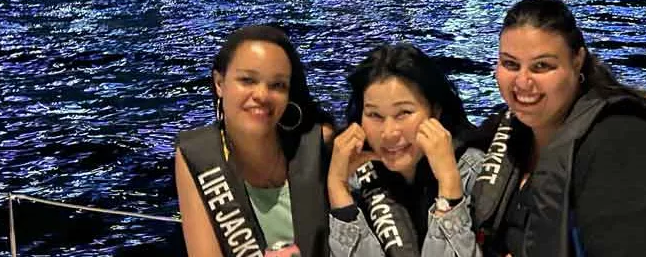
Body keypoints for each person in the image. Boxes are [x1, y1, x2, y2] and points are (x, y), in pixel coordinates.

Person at [472, 0, 646, 257]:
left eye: (542, 66)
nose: (522, 83)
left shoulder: (621, 142)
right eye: (510, 64)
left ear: (577, 62)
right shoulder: (506, 132)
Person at [175, 25, 333, 257]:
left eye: (277, 85)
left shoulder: (319, 142)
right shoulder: (197, 155)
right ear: (219, 83)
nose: (261, 95)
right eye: (248, 80)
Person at [328, 43, 485, 257]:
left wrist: (449, 183)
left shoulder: (474, 174)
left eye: (403, 113)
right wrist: (337, 188)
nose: (389, 133)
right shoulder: (353, 177)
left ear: (435, 111)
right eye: (375, 115)